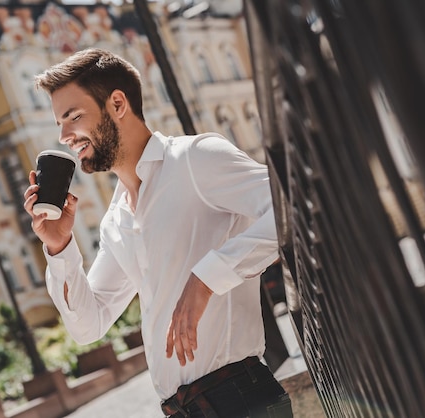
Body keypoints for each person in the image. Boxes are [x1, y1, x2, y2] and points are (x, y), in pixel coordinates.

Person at [23, 48, 293, 418]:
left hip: (240, 398)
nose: (66, 136)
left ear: (117, 103)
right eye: (59, 124)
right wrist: (59, 247)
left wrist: (206, 278)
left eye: (73, 117)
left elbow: (287, 205)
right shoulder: (116, 219)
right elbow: (89, 325)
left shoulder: (196, 159)